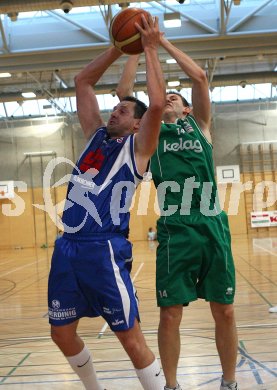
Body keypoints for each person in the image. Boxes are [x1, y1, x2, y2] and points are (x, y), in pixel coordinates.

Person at [47, 14, 166, 390]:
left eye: (125, 111)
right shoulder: (93, 136)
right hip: (68, 247)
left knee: (130, 340)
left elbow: (159, 105)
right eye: (117, 107)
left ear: (137, 125)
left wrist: (148, 49)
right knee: (61, 334)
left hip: (104, 251)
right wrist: (117, 48)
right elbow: (83, 81)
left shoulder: (138, 150)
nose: (116, 110)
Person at [117, 36, 239, 390]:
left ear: (186, 109)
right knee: (171, 313)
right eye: (164, 95)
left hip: (212, 223)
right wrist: (135, 50)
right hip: (176, 228)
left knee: (225, 310)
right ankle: (170, 386)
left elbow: (200, 77)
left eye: (175, 97)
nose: (168, 96)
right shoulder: (149, 135)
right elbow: (125, 91)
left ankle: (229, 382)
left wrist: (161, 42)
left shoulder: (199, 124)